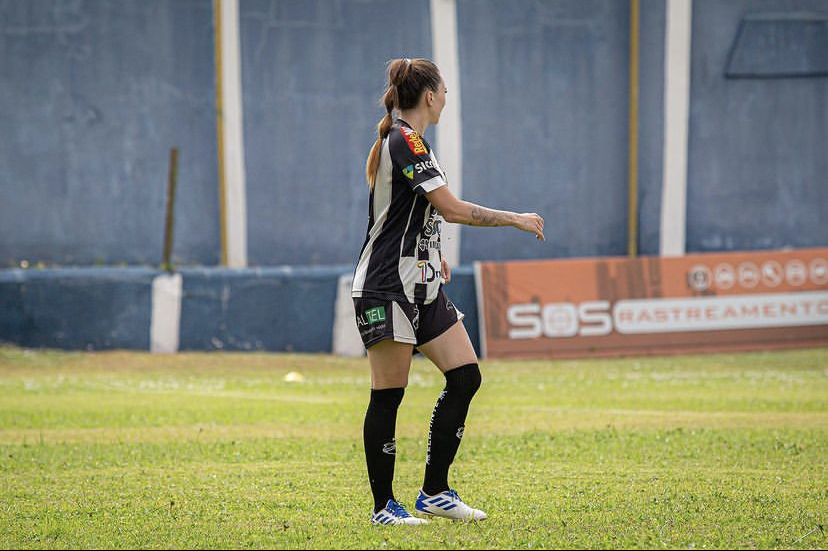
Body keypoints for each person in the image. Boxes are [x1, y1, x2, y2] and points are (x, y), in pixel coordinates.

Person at [352, 57, 545, 526]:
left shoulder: (414, 142)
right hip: (385, 287)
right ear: (431, 95)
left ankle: (434, 492)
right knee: (388, 396)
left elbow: (416, 213)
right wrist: (514, 218)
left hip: (422, 287)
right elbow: (452, 208)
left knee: (465, 377)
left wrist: (432, 253)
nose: (446, 100)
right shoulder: (403, 139)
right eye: (444, 92)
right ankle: (383, 508)